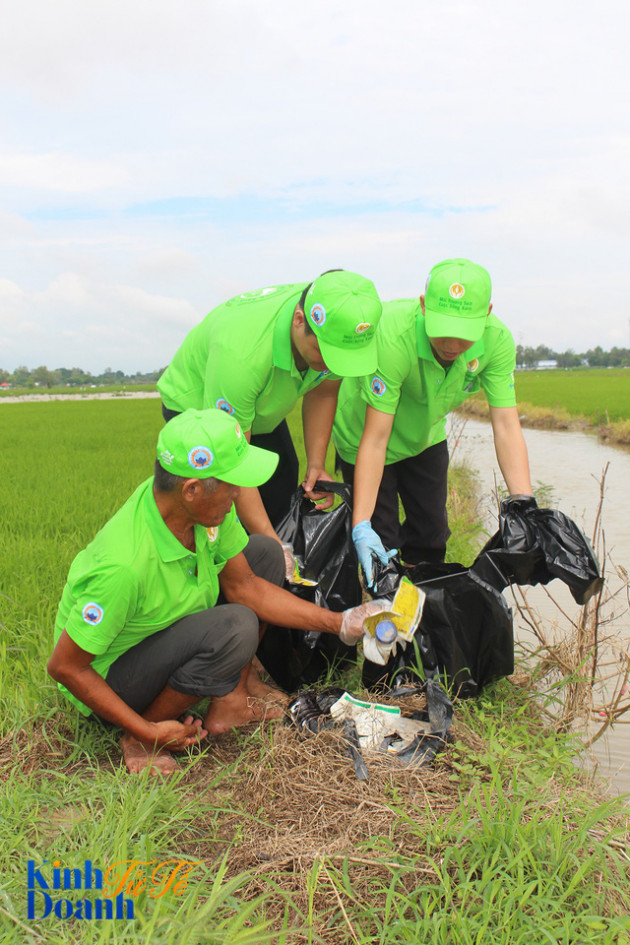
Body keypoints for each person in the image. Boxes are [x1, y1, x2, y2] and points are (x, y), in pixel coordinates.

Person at [47, 408, 383, 775]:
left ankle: (231, 700)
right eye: (230, 485)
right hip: (111, 677)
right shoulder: (123, 566)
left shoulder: (192, 511)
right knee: (235, 627)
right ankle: (141, 740)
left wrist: (340, 622)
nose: (238, 494)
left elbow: (246, 586)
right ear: (191, 490)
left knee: (265, 555)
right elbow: (66, 666)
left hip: (162, 630)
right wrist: (145, 728)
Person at [157, 270, 382, 575]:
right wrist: (274, 544)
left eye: (340, 358)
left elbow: (324, 389)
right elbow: (231, 464)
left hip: (261, 407)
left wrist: (316, 462)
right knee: (212, 509)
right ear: (299, 320)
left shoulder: (335, 319)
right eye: (324, 353)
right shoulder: (241, 355)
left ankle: (272, 591)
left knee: (282, 486)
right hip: (197, 411)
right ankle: (212, 592)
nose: (330, 365)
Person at [332, 258, 534, 586]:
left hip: (425, 436)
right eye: (444, 332)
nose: (453, 346)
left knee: (432, 536)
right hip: (365, 438)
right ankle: (385, 613)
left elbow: (507, 426)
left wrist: (525, 504)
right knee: (381, 542)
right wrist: (360, 525)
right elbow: (376, 439)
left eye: (464, 334)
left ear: (487, 312)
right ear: (424, 306)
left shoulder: (497, 341)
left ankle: (421, 613)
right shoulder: (393, 335)